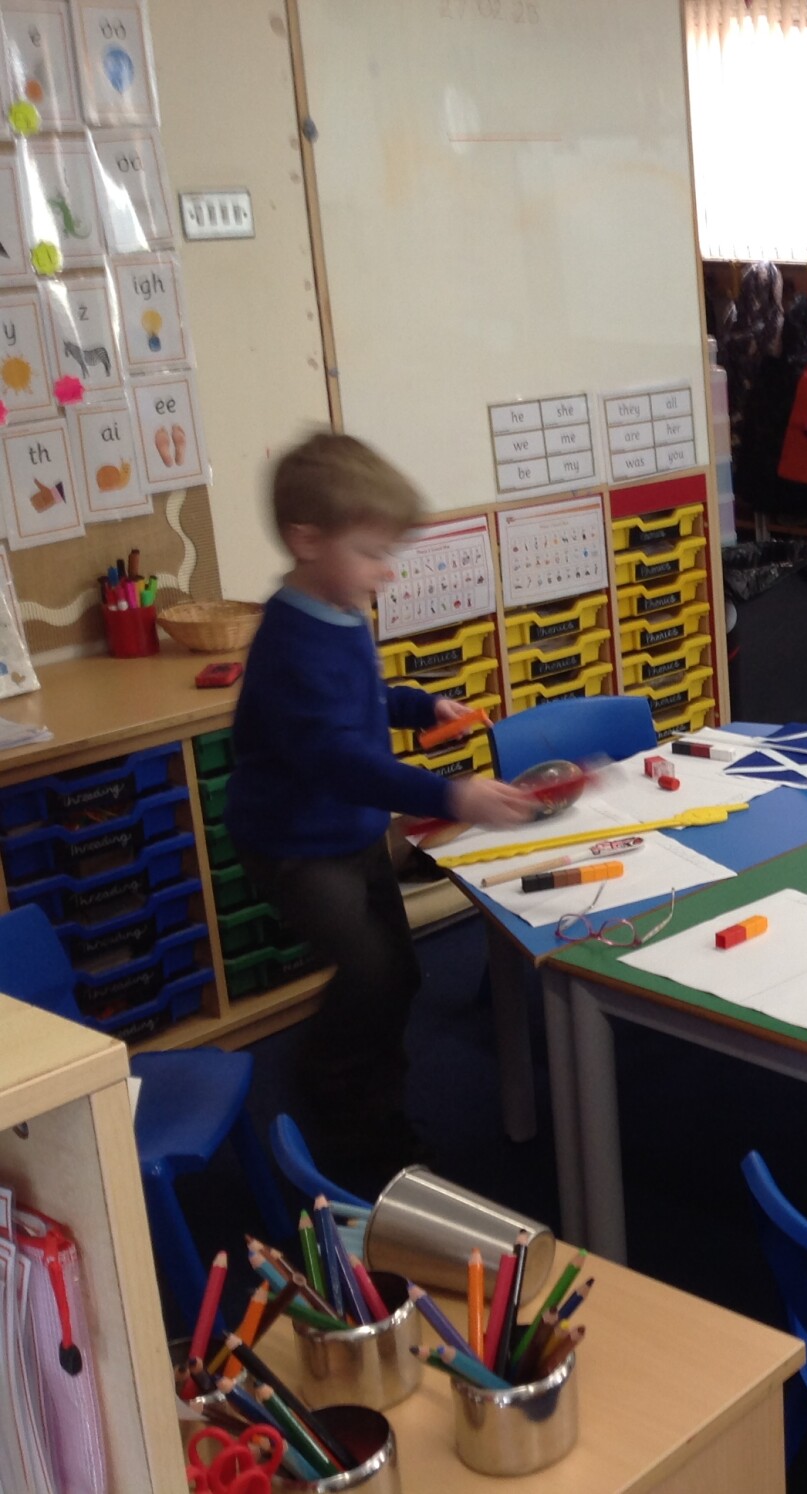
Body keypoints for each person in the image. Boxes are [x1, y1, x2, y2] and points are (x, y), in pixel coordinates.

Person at [227, 433, 535, 1183]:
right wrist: (448, 794)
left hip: (351, 830)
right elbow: (337, 757)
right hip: (297, 848)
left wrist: (417, 705)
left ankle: (379, 1108)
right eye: (371, 553)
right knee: (369, 973)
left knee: (398, 975)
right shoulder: (288, 642)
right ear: (306, 540)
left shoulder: (337, 609)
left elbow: (359, 699)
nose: (386, 571)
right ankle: (332, 1093)